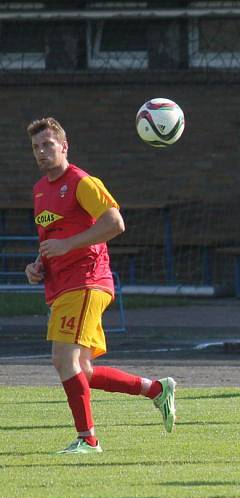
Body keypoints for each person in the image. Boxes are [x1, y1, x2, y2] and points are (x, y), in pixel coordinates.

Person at [24, 117, 176, 454]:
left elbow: (114, 222)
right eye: (36, 147)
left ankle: (88, 439)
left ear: (64, 146)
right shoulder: (39, 190)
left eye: (48, 145)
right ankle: (156, 390)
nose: (41, 152)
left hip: (86, 281)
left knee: (63, 360)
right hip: (62, 284)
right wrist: (38, 266)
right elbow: (52, 238)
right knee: (83, 370)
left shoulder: (82, 182)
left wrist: (69, 246)